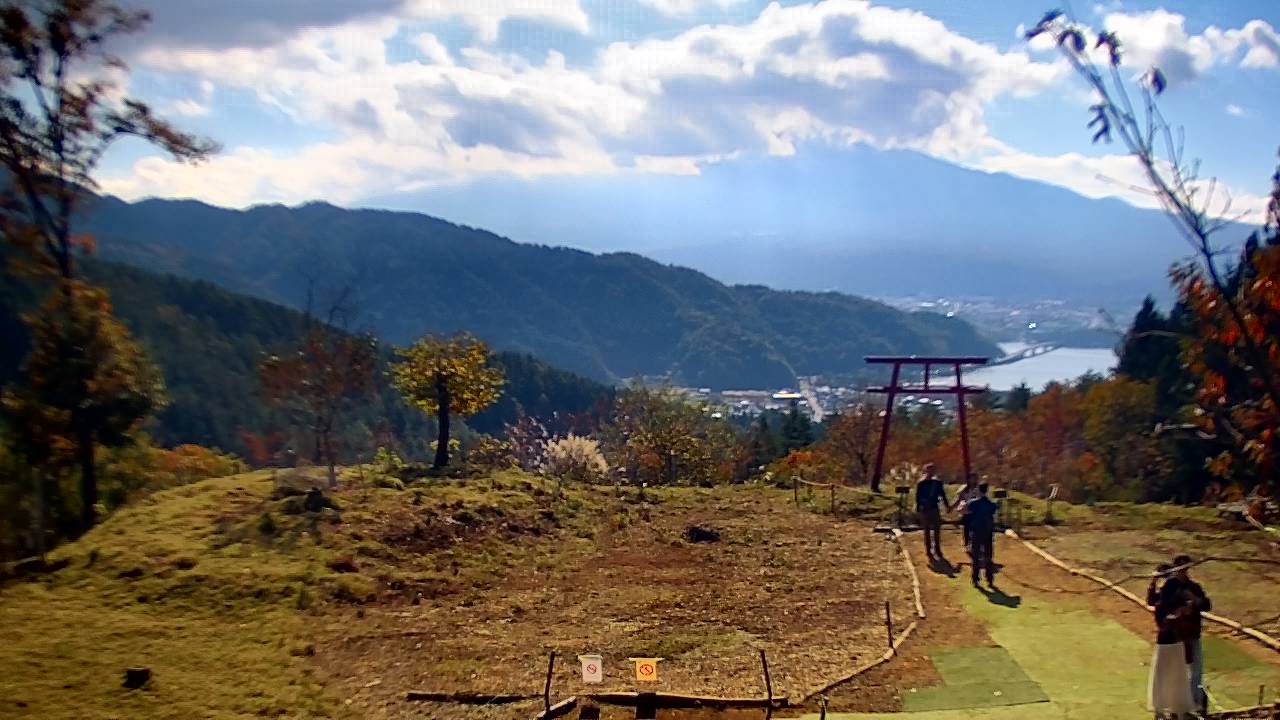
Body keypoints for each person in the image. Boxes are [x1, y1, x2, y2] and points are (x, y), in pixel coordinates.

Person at [1168, 554, 1211, 715]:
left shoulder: (1194, 587)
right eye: (1181, 570)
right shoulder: (1169, 589)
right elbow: (1162, 607)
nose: (1184, 573)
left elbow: (1206, 605)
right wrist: (1179, 612)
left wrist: (1195, 601)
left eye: (1186, 569)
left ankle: (1194, 703)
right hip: (1176, 635)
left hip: (1193, 633)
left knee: (1197, 671)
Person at [1148, 577, 1196, 719]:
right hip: (1164, 644)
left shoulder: (1179, 603)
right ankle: (1160, 710)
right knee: (1162, 677)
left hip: (1177, 643)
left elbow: (1190, 610)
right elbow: (1163, 624)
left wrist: (1188, 604)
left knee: (1178, 676)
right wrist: (1178, 614)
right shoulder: (1161, 605)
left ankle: (1178, 708)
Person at [966, 483, 999, 587]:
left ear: (979, 490)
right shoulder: (991, 504)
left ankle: (975, 579)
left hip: (976, 531)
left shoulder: (973, 503)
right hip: (988, 531)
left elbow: (965, 511)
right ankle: (990, 579)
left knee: (975, 556)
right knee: (988, 556)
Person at [915, 463, 949, 558]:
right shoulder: (921, 483)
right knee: (926, 530)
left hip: (934, 507)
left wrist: (947, 505)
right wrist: (918, 509)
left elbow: (942, 494)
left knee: (937, 529)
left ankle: (937, 548)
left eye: (932, 470)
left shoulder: (937, 483)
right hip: (925, 508)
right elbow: (917, 497)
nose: (931, 472)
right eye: (929, 470)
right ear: (926, 471)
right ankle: (928, 549)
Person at [950, 473, 982, 555]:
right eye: (971, 478)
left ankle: (977, 545)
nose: (973, 480)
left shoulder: (978, 489)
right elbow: (958, 500)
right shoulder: (964, 489)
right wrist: (951, 507)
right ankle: (967, 545)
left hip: (976, 513)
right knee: (967, 529)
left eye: (974, 478)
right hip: (966, 512)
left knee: (976, 529)